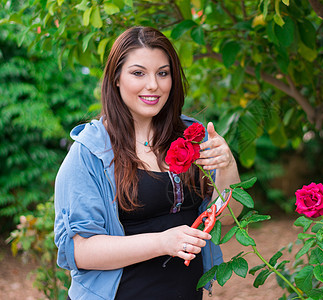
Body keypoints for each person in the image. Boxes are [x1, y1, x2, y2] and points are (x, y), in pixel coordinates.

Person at [54, 26, 242, 300]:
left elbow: (228, 217)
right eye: (138, 73)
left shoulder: (191, 136)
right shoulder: (90, 152)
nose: (153, 84)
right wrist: (162, 242)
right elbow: (79, 251)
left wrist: (227, 166)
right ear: (116, 78)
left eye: (162, 73)